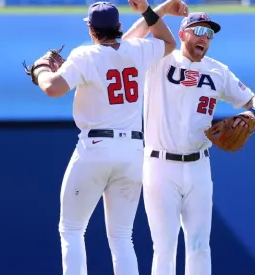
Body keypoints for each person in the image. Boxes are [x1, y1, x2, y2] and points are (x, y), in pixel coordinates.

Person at [27, 1, 176, 274]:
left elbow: (52, 88)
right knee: (121, 237)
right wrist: (154, 10)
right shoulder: (137, 49)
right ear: (118, 27)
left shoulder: (84, 55)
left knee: (71, 228)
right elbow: (167, 41)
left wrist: (40, 69)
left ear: (91, 30)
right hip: (132, 151)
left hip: (95, 147)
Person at [123, 5, 255, 275]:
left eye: (210, 34)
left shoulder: (218, 71)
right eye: (199, 31)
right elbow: (128, 44)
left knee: (200, 245)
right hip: (160, 165)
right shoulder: (159, 60)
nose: (205, 38)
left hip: (199, 166)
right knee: (164, 247)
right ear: (182, 34)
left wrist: (251, 113)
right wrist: (162, 9)